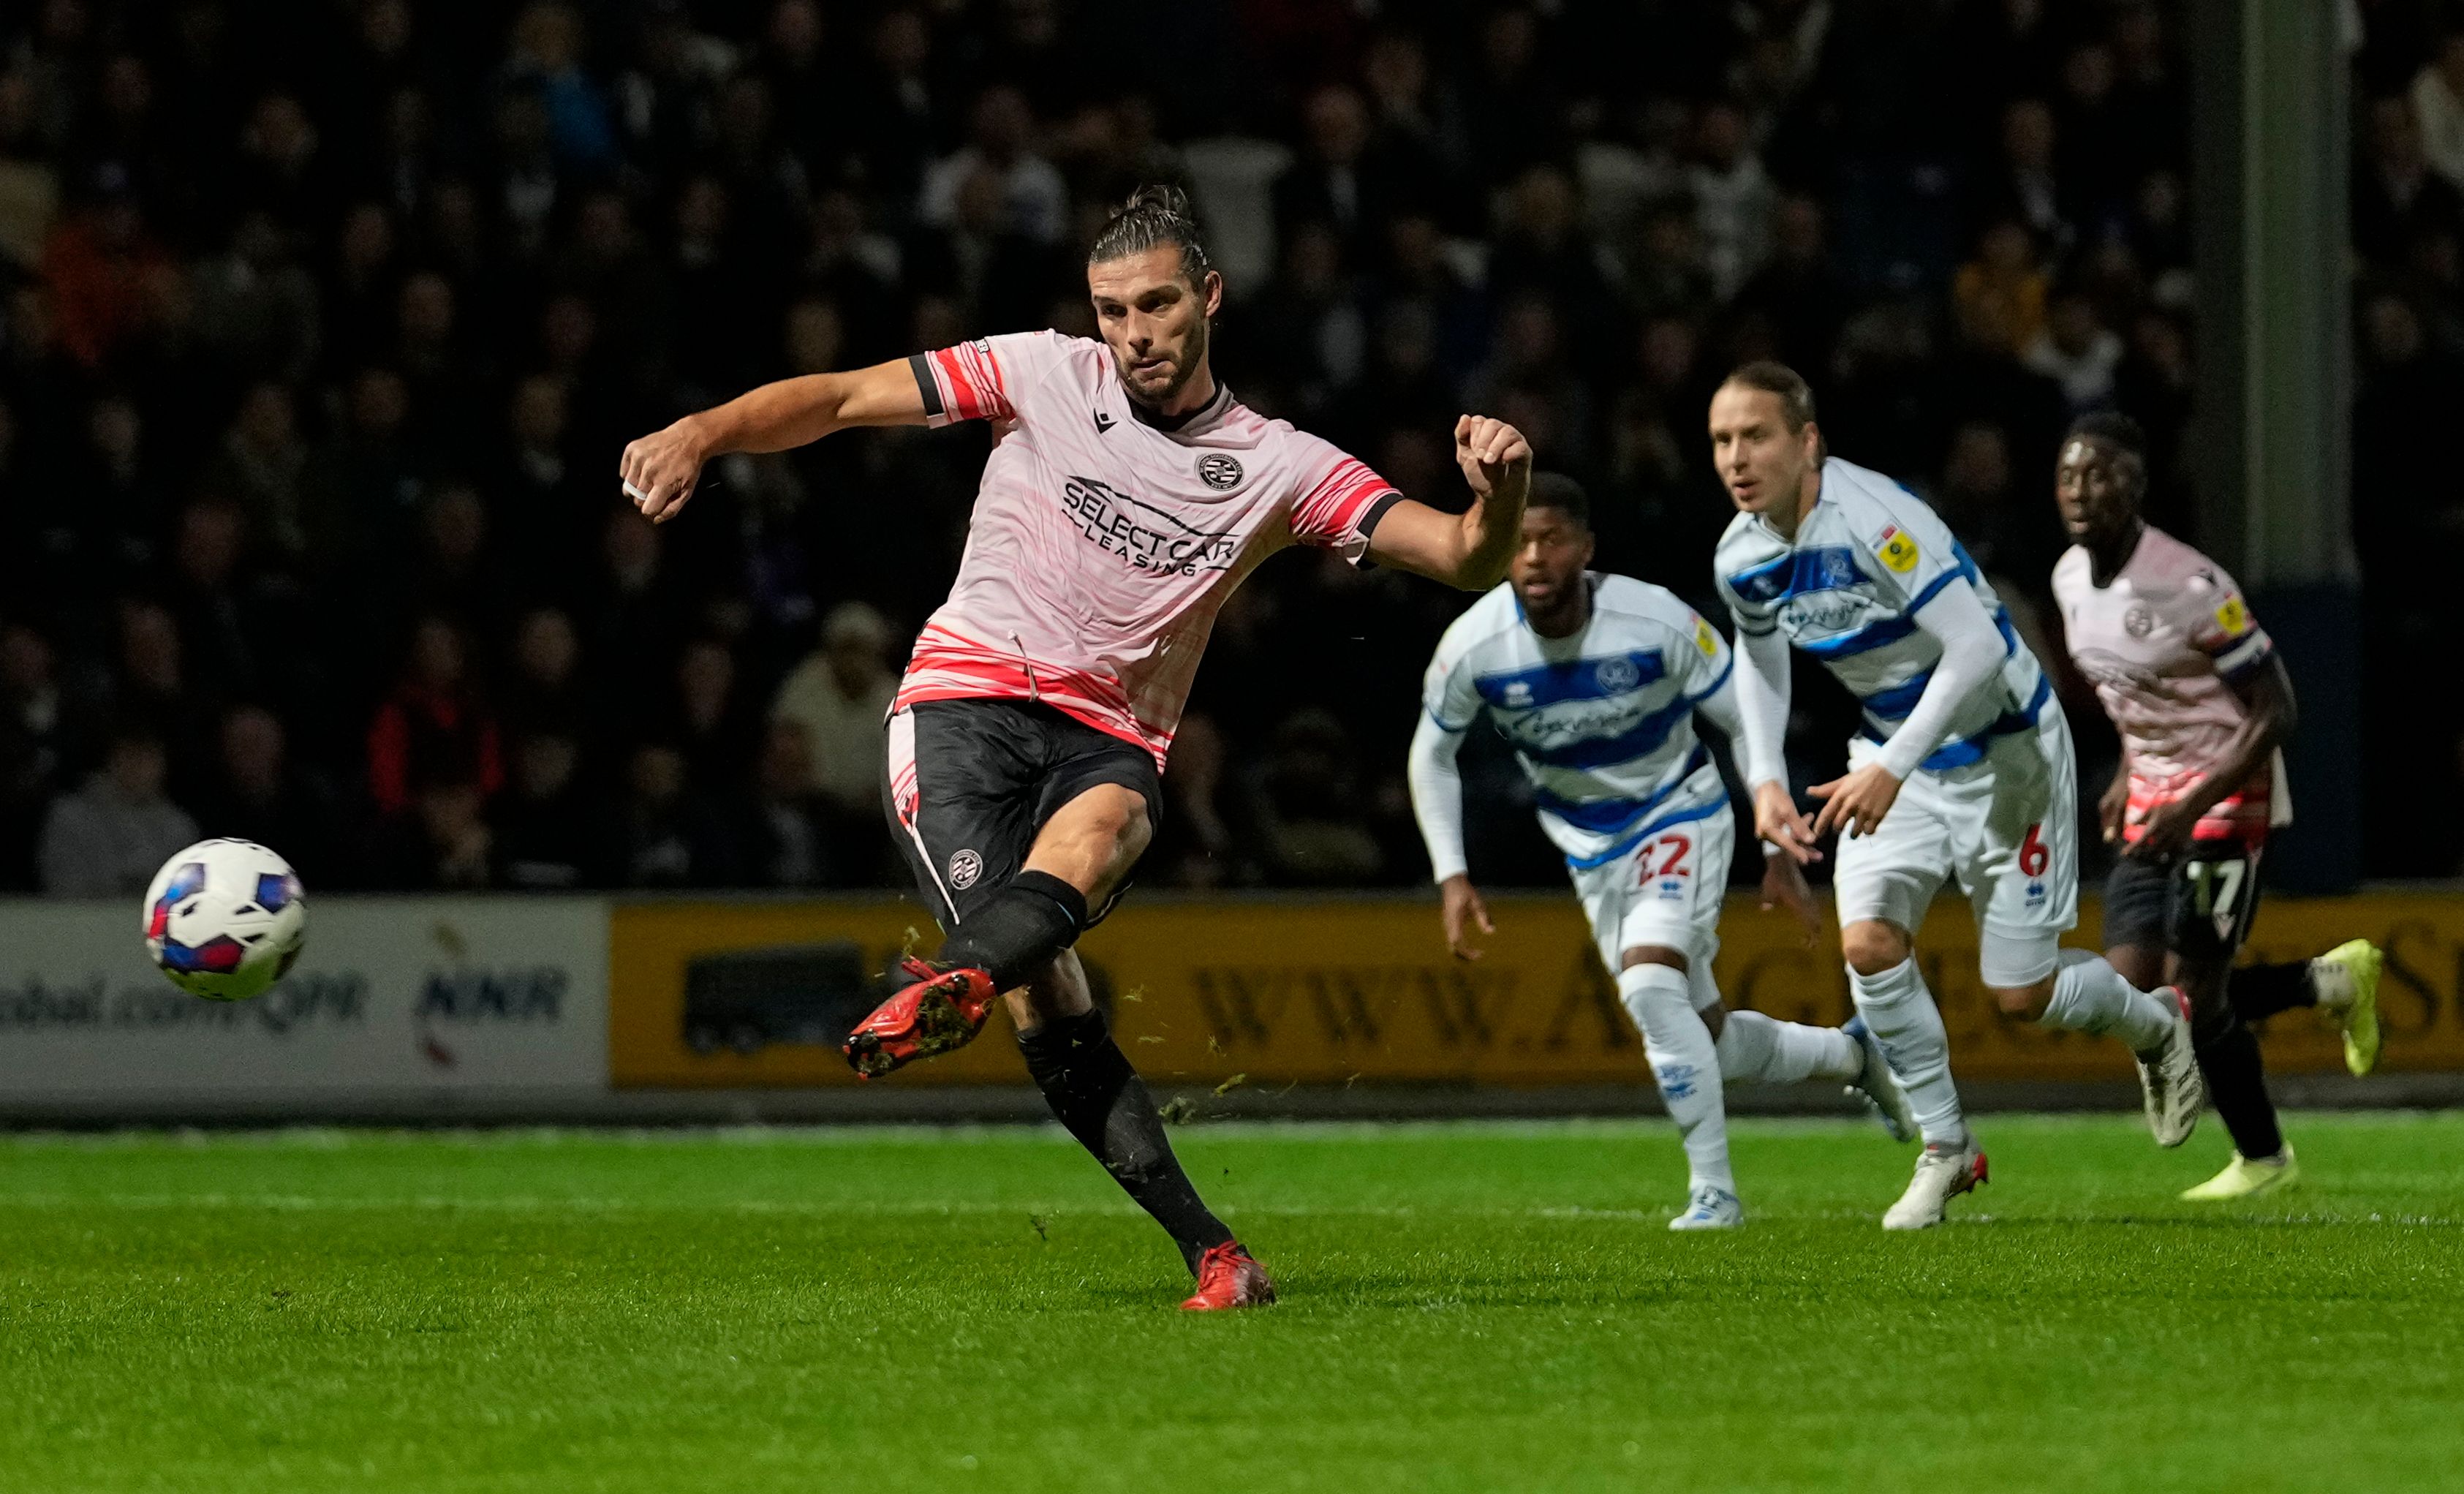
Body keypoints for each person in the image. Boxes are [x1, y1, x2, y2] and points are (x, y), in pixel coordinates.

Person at [618, 186, 1534, 1310]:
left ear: (1209, 297)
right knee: (1044, 992)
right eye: (1112, 310)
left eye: (1155, 305)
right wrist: (702, 430)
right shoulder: (1040, 371)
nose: (1134, 332)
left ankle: (956, 975)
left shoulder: (1279, 464)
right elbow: (846, 396)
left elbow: (1459, 555)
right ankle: (1212, 1247)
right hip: (959, 707)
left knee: (1109, 829)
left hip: (1107, 733)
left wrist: (1503, 498)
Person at [1707, 361, 2202, 1232]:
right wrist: (1765, 783)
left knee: (2024, 996)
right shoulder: (1741, 557)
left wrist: (1890, 764)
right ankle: (1946, 1148)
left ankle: (2158, 1028)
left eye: (1756, 436)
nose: (1736, 457)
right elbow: (1758, 661)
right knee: (1866, 946)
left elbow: (1974, 645)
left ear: (1808, 442)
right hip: (1896, 760)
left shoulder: (1877, 520)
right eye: (1721, 440)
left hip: (2007, 755)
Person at [1407, 474, 1917, 1231]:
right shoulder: (1474, 645)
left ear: (1585, 548)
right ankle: (1852, 1057)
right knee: (1701, 1034)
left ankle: (1715, 1193)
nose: (1535, 556)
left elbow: (1745, 717)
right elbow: (1431, 756)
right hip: (1587, 844)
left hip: (1680, 812)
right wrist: (1452, 876)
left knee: (1650, 988)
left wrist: (1770, 828)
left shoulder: (1653, 621)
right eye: (1519, 541)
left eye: (1551, 539)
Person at [2049, 414, 2383, 1201]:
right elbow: (2139, 696)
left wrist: (2191, 796)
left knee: (2192, 1002)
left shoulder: (2191, 585)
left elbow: (2276, 711)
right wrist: (2128, 775)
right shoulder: (2067, 579)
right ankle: (2326, 984)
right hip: (2152, 793)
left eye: (2098, 474)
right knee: (2135, 994)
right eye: (2067, 475)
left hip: (2229, 792)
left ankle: (2264, 1160)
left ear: (2135, 485)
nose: (2079, 489)